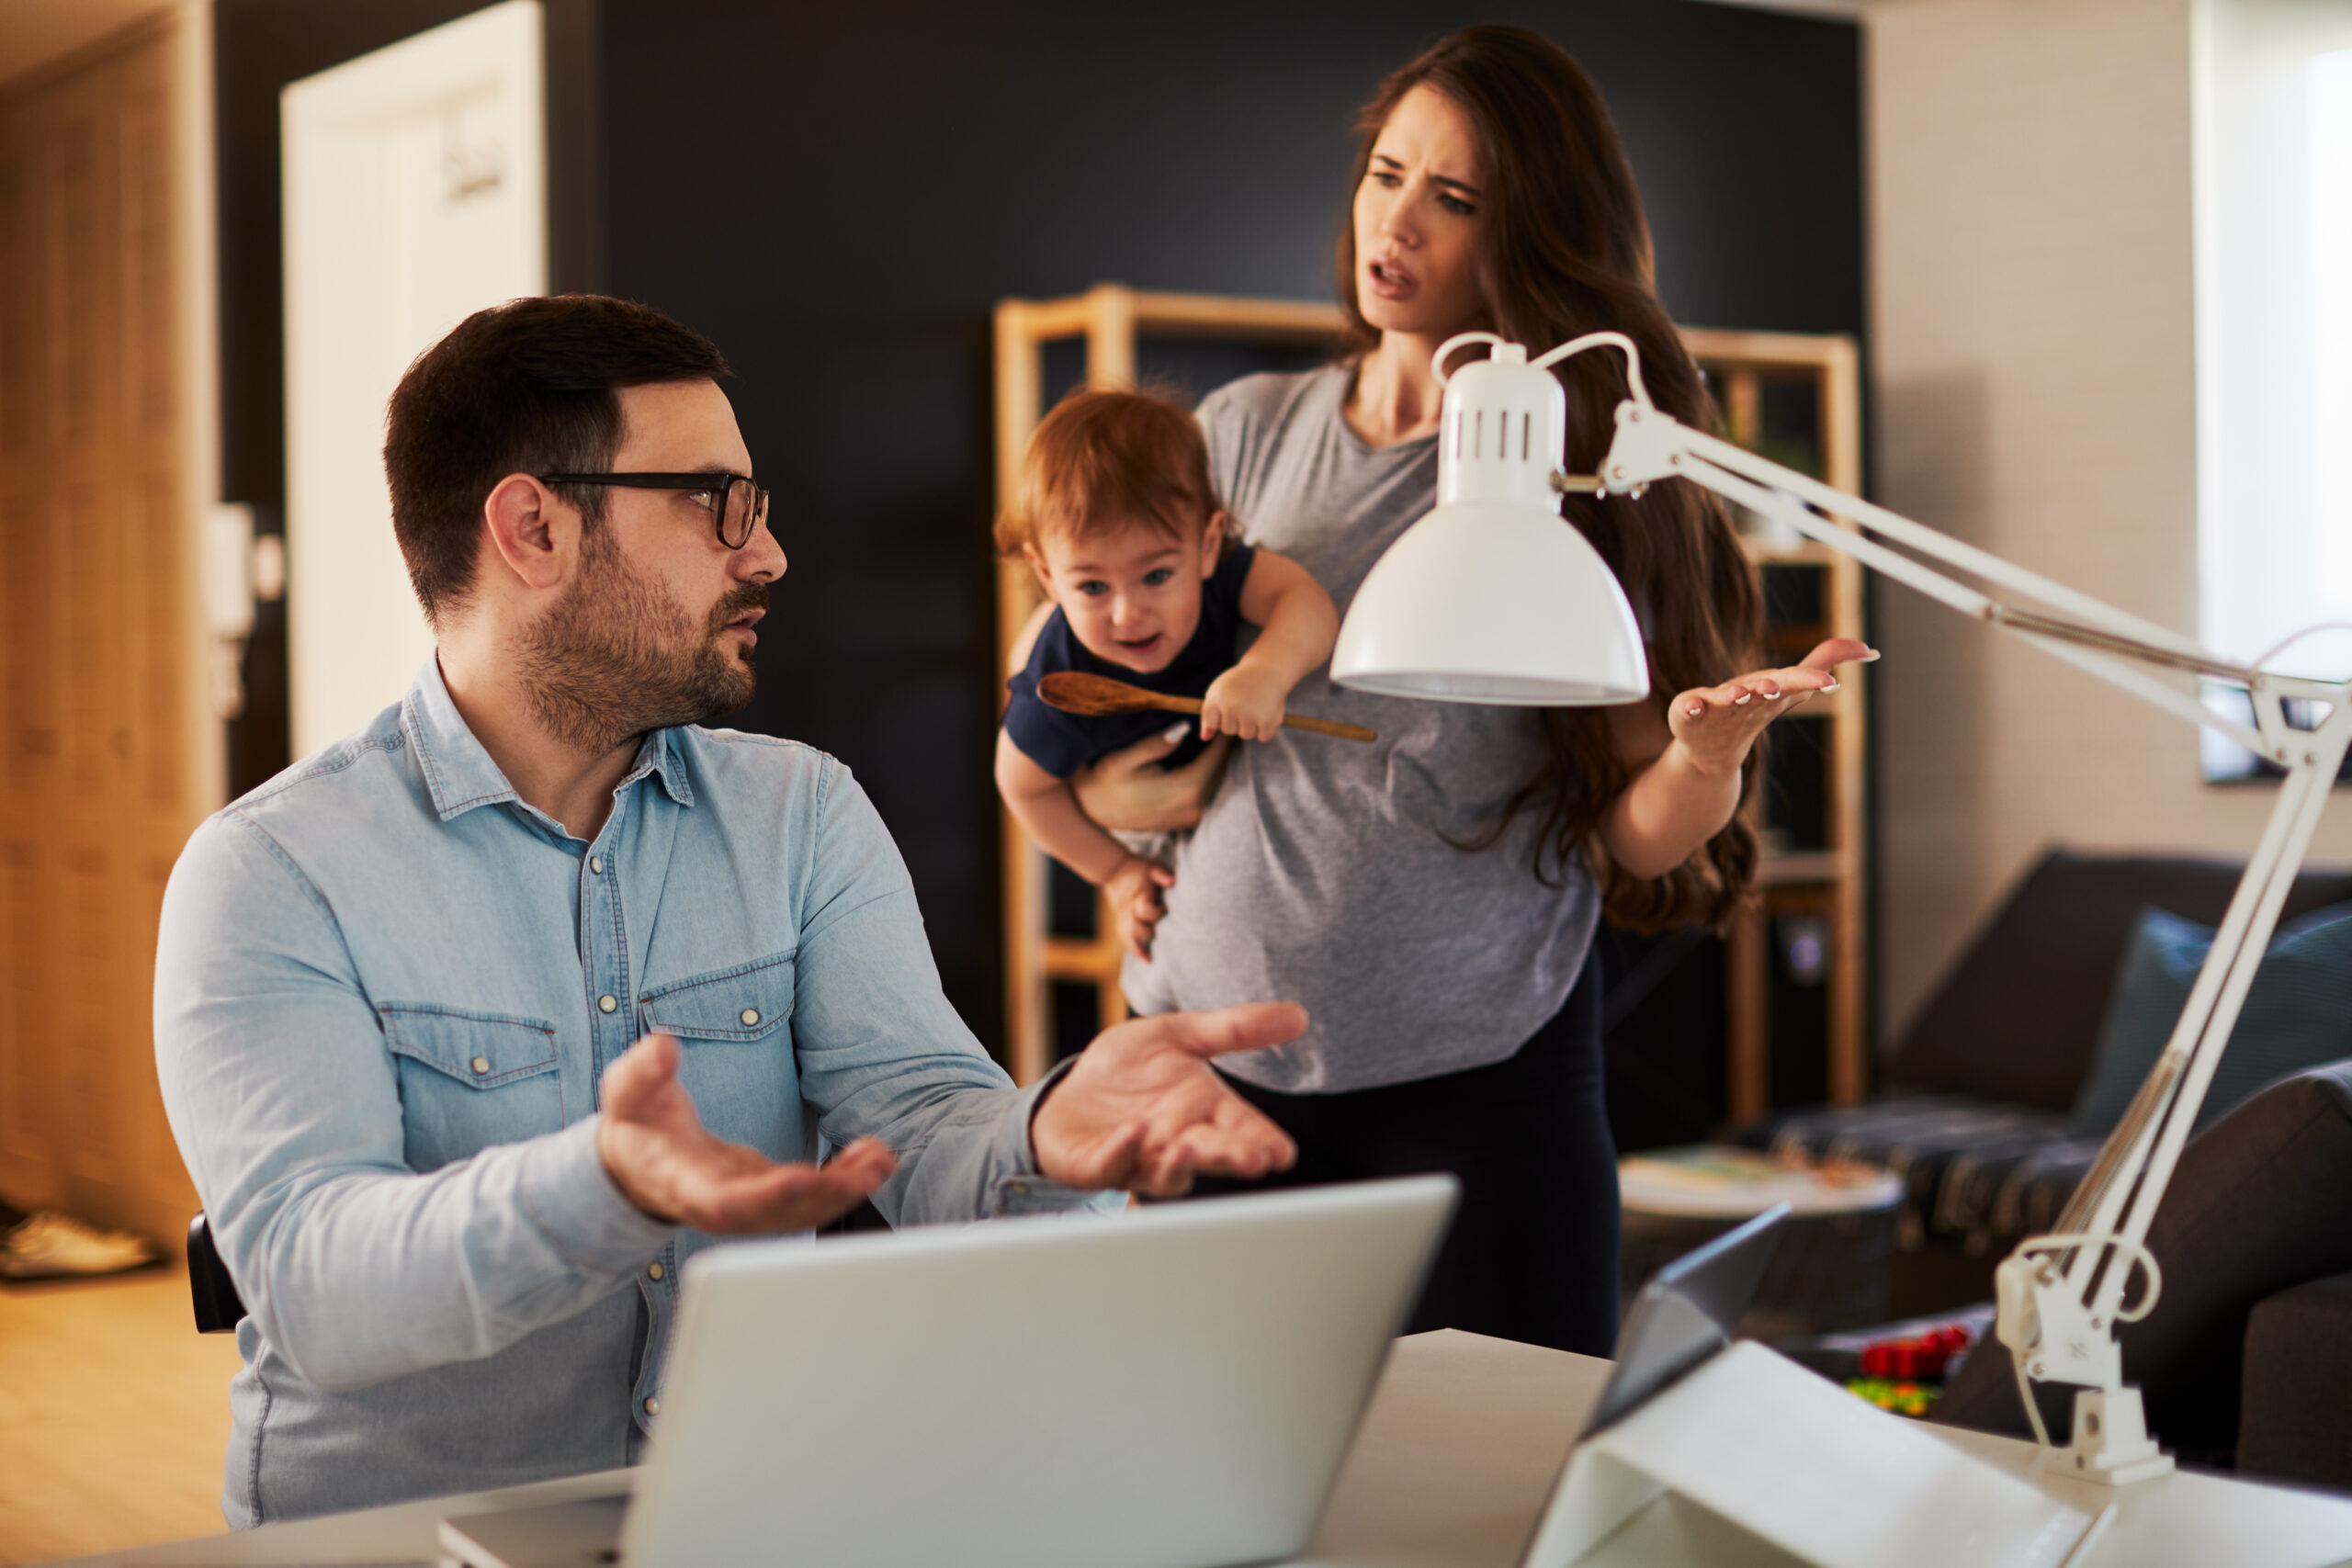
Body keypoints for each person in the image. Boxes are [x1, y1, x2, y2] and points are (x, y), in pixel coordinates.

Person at [152, 295, 1299, 1527]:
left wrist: (1042, 1130)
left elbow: (917, 1117)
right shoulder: (272, 872)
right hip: (395, 1544)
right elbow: (318, 1285)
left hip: (742, 1515)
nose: (767, 553)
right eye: (719, 503)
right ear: (532, 526)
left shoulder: (800, 814)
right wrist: (602, 1182)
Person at [1082, 26, 1873, 1355]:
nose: (1397, 223)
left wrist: (1704, 758)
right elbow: (1097, 736)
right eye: (1387, 174)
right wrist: (1117, 848)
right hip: (1206, 1062)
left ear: (1539, 232)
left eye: (1455, 200)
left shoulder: (1580, 465)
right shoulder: (1237, 432)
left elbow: (1633, 834)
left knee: (1487, 1509)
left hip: (1474, 1092)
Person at [994, 388, 1339, 959]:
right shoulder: (1060, 686)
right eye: (1092, 587)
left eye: (1156, 576)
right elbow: (1023, 788)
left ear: (1207, 545)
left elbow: (1304, 602)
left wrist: (1265, 672)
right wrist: (1116, 872)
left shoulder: (1225, 574)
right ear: (1047, 577)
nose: (1128, 614)